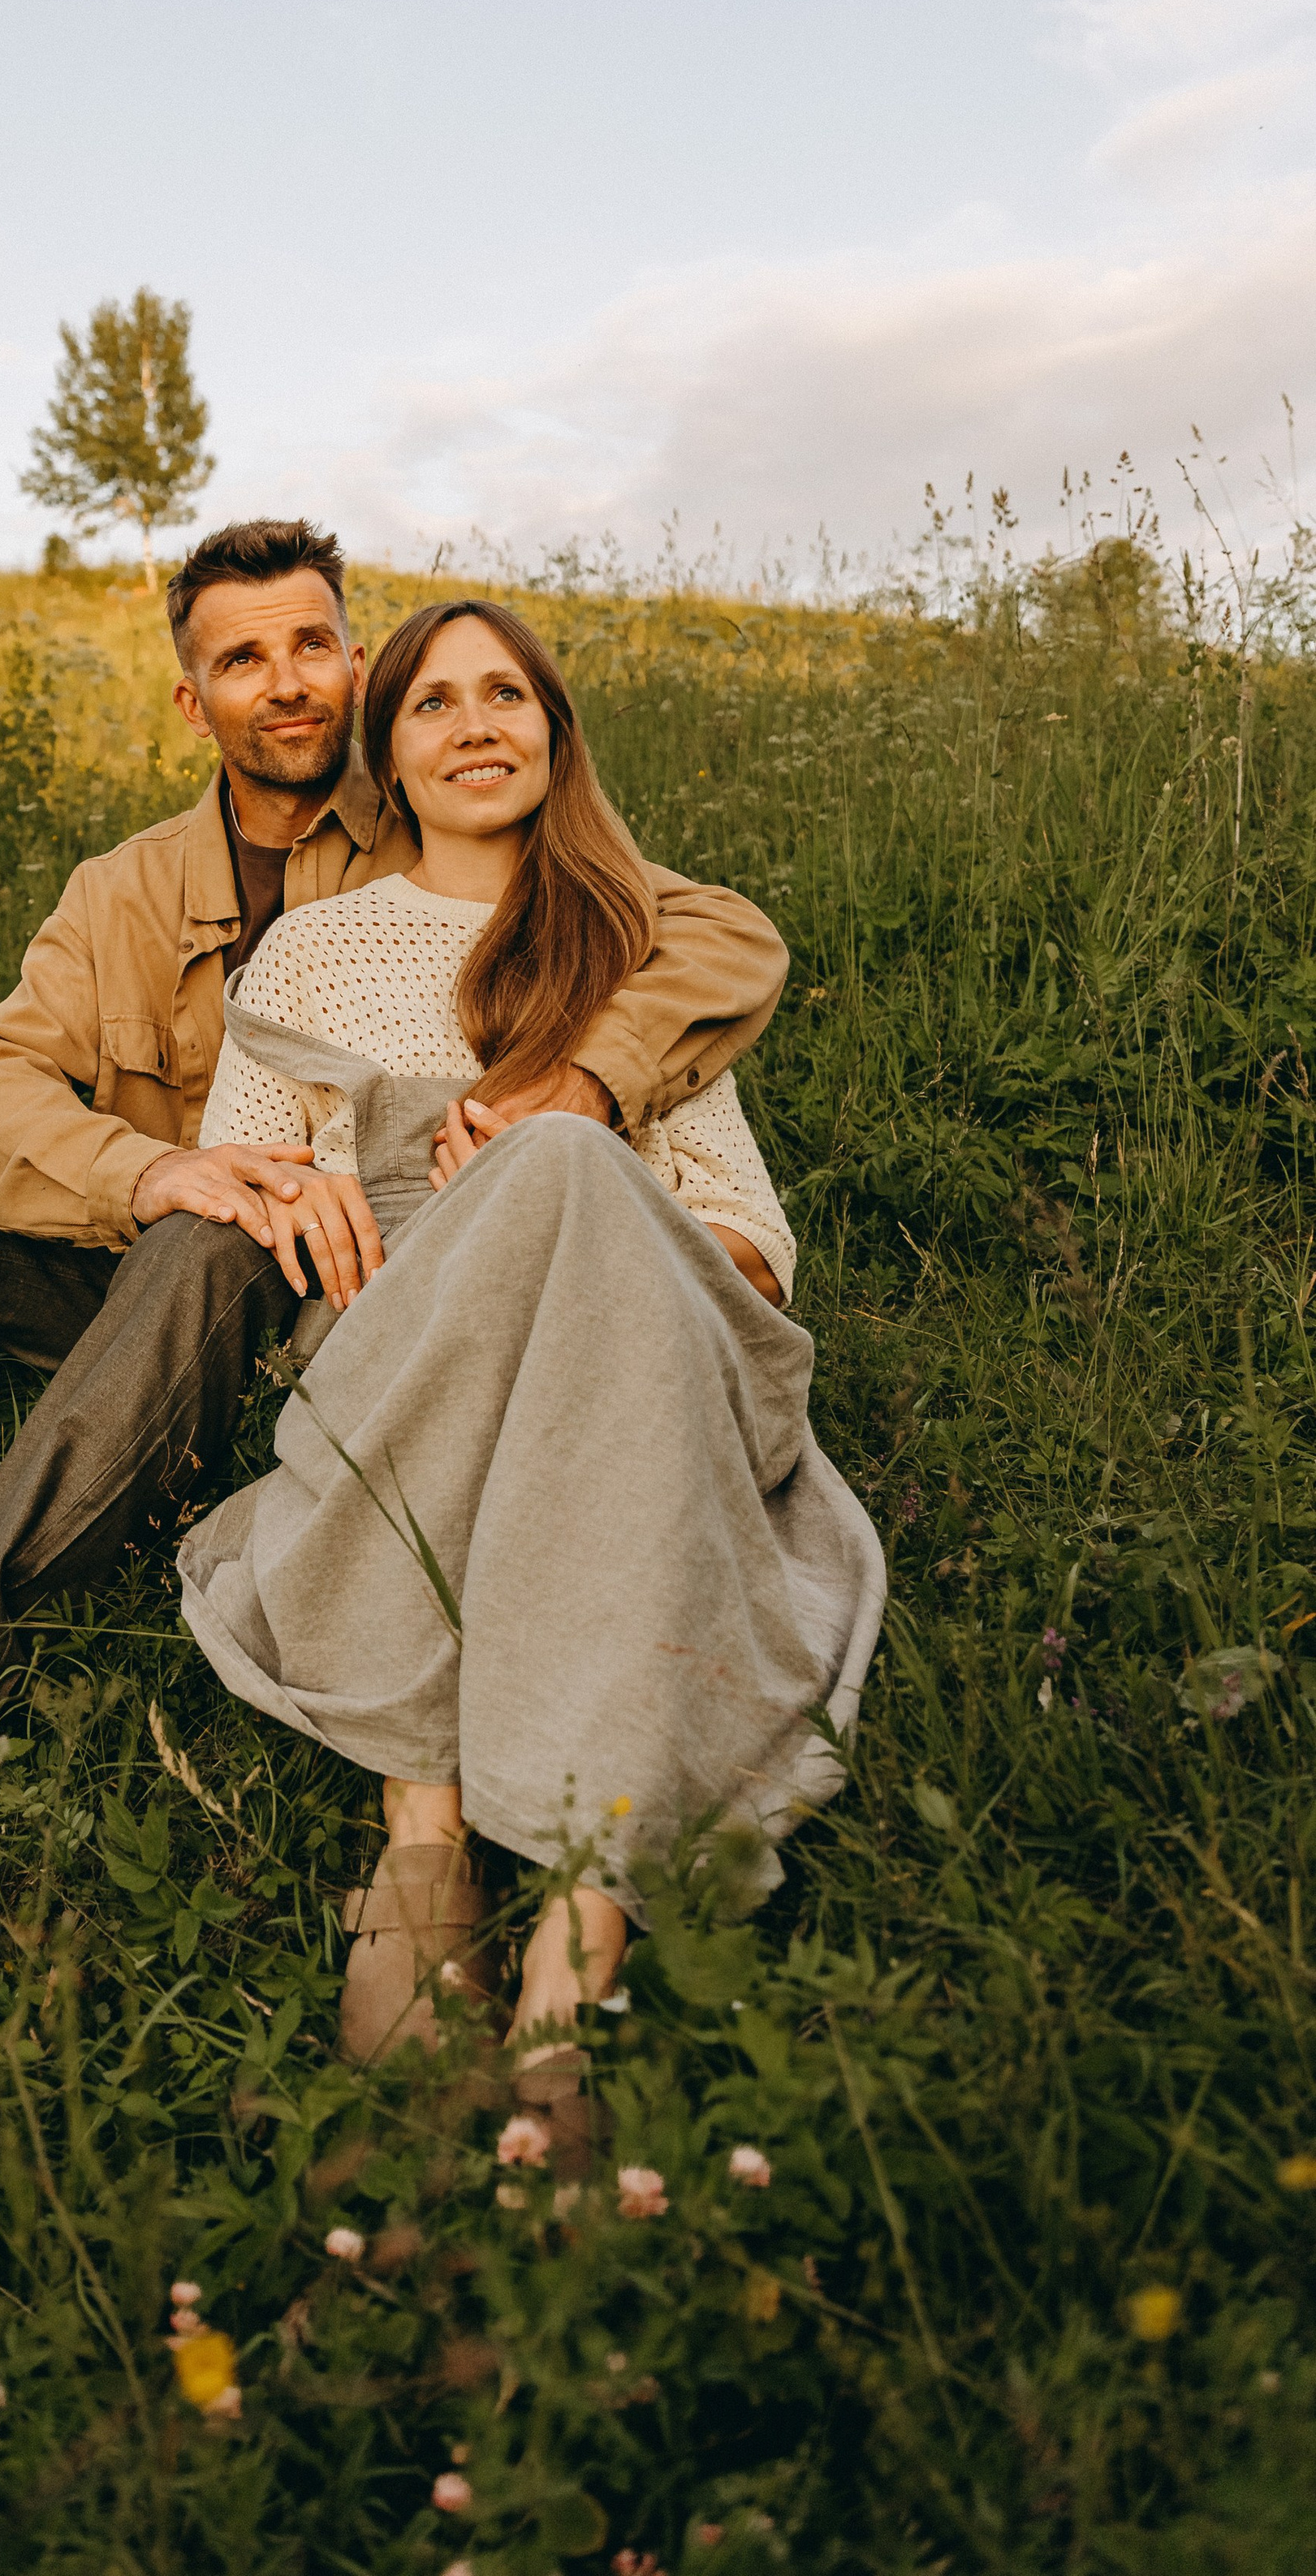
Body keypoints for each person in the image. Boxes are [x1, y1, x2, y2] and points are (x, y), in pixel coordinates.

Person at [0, 522, 792, 1919]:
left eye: (312, 647)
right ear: (195, 700)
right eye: (243, 659)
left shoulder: (444, 824)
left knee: (223, 1239)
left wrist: (572, 1087)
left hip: (324, 1290)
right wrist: (150, 1172)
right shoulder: (123, 889)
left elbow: (697, 930)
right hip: (149, 1257)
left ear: (357, 669)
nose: (285, 683)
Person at [172, 597, 885, 2155]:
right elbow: (252, 1179)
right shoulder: (318, 950)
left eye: (509, 695)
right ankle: (432, 1821)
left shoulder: (633, 944)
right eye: (434, 703)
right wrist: (301, 1191)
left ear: (555, 737)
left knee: (564, 1166)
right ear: (392, 757)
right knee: (538, 1185)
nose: (477, 723)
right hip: (408, 1334)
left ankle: (556, 1958)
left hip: (653, 1325)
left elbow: (750, 1239)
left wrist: (578, 1194)